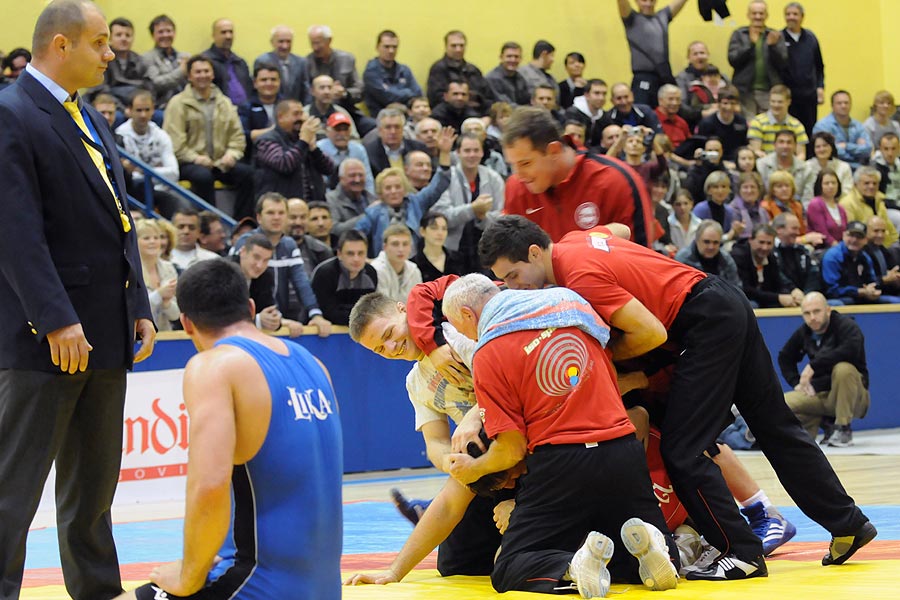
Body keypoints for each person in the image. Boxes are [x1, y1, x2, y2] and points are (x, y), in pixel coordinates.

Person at [478, 215, 877, 579]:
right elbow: (620, 231)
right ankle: (848, 523)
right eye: (504, 281)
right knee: (775, 425)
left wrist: (602, 359)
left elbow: (652, 333)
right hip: (725, 301)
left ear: (535, 252)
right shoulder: (575, 240)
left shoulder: (578, 275)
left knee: (683, 450)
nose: (514, 287)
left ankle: (741, 552)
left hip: (703, 321)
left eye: (514, 275)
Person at [0, 2, 157, 598]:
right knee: (13, 486)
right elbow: (14, 231)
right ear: (60, 45)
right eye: (100, 42)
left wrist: (138, 303)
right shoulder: (11, 113)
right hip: (44, 338)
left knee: (94, 487)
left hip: (106, 330)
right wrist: (55, 318)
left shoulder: (85, 113)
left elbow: (119, 219)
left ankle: (97, 590)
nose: (111, 54)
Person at [438, 276, 680, 595]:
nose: (471, 338)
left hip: (562, 461)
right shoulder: (572, 307)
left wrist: (474, 468)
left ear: (468, 315)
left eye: (464, 330)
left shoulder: (489, 350)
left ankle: (572, 565)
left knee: (509, 568)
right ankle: (656, 554)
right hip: (622, 448)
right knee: (643, 548)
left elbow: (511, 450)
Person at [117, 258, 342, 600]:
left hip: (255, 583)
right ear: (250, 308)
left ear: (186, 323)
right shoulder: (315, 365)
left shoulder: (215, 366)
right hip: (324, 588)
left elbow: (209, 485)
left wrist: (188, 576)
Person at [503, 107, 656, 247]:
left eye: (525, 163)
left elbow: (641, 259)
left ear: (554, 151)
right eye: (512, 165)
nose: (519, 175)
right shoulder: (516, 189)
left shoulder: (617, 182)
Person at [163, 55, 255, 218]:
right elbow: (174, 143)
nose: (203, 75)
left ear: (212, 74)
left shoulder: (225, 102)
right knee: (203, 177)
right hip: (188, 163)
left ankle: (242, 222)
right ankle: (210, 222)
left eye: (206, 71)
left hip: (220, 162)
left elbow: (237, 136)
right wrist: (196, 158)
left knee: (248, 174)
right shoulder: (177, 103)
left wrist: (232, 154)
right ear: (189, 76)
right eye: (198, 72)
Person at [779, 292, 869, 448]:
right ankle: (810, 430)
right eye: (807, 313)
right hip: (820, 394)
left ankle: (843, 428)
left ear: (828, 310)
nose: (812, 317)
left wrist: (813, 366)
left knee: (844, 369)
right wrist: (796, 383)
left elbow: (850, 350)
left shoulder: (846, 326)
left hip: (854, 396)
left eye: (816, 311)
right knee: (782, 403)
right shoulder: (805, 332)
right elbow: (785, 357)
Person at [355, 127, 455, 255]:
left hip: (414, 262)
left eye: (398, 187)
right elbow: (355, 237)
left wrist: (445, 153)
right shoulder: (373, 212)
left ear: (405, 189)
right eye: (388, 188)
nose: (394, 191)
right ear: (380, 194)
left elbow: (439, 184)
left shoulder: (416, 203)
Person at [434, 133, 505, 268]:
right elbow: (443, 217)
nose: (472, 155)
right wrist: (472, 209)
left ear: (482, 152)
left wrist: (483, 218)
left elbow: (502, 217)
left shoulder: (494, 178)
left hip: (488, 251)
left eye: (476, 150)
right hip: (452, 252)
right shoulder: (446, 178)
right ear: (458, 152)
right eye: (467, 150)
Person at [116, 89, 188, 219]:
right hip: (134, 192)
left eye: (147, 110)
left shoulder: (161, 135)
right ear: (129, 111)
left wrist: (141, 171)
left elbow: (173, 173)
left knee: (183, 206)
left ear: (153, 110)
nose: (143, 115)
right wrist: (158, 170)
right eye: (139, 110)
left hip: (162, 189)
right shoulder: (120, 136)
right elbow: (129, 178)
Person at [255, 99, 335, 201]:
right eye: (296, 114)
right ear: (281, 117)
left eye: (302, 114)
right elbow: (284, 164)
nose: (301, 118)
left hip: (313, 203)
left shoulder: (305, 138)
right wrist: (303, 141)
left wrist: (314, 149)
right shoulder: (266, 140)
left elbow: (329, 169)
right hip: (282, 205)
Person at [616, 0, 690, 107]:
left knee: (670, 109)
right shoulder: (631, 18)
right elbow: (622, 3)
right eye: (644, 0)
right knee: (642, 110)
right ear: (636, 1)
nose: (648, 4)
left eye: (652, 0)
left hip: (663, 75)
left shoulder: (662, 16)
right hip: (643, 76)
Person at [728, 1, 789, 116]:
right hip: (745, 92)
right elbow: (733, 60)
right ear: (748, 15)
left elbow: (783, 63)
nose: (758, 16)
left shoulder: (774, 35)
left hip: (769, 92)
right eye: (754, 13)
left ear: (766, 15)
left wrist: (772, 47)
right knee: (747, 125)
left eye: (761, 13)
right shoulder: (739, 34)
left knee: (768, 124)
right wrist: (751, 44)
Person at [821, 221, 900, 305]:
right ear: (844, 235)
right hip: (840, 298)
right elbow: (832, 291)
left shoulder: (865, 257)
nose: (854, 240)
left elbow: (871, 281)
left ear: (865, 240)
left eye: (859, 237)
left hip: (862, 296)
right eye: (851, 235)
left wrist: (872, 289)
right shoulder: (832, 257)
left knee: (896, 301)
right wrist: (860, 292)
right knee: (838, 303)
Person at [311, 229, 378, 325]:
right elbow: (330, 313)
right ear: (339, 254)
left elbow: (370, 311)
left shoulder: (371, 272)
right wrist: (362, 317)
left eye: (361, 253)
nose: (356, 259)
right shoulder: (325, 273)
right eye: (350, 253)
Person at [731, 224, 802, 308]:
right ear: (750, 240)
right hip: (742, 300)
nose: (765, 247)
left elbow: (778, 281)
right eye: (761, 242)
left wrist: (793, 290)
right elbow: (745, 290)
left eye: (769, 243)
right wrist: (778, 298)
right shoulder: (738, 256)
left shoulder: (771, 257)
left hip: (763, 299)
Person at [781, 2, 825, 138]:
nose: (791, 17)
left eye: (795, 14)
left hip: (809, 96)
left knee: (809, 133)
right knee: (789, 134)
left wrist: (820, 87)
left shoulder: (811, 38)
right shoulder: (779, 38)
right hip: (788, 97)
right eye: (788, 14)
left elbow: (819, 66)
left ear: (802, 17)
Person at [426, 30, 494, 115]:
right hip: (449, 116)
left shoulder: (474, 70)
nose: (458, 49)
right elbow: (436, 99)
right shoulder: (438, 69)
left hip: (479, 115)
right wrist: (465, 101)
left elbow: (487, 96)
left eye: (461, 45)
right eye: (454, 46)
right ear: (446, 47)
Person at [90, 17, 151, 107]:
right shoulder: (102, 59)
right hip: (109, 106)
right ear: (110, 39)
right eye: (118, 35)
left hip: (136, 107)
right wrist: (123, 109)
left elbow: (148, 88)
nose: (124, 39)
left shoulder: (140, 61)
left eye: (128, 35)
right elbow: (101, 89)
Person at [363, 29, 423, 115]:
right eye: (386, 47)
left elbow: (418, 94)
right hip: (382, 117)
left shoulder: (404, 70)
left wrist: (400, 96)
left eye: (394, 47)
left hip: (409, 115)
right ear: (377, 47)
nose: (391, 51)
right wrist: (407, 92)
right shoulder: (371, 72)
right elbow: (388, 98)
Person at [135, 219, 179, 331]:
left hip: (165, 333)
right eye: (146, 238)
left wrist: (166, 303)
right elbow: (135, 310)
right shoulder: (131, 270)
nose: (153, 242)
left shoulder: (168, 268)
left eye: (156, 237)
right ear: (135, 242)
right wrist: (159, 294)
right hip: (139, 333)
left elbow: (175, 315)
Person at [840, 166, 899, 247]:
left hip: (884, 246)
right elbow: (851, 234)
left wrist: (895, 245)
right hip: (862, 247)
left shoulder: (879, 200)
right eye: (866, 183)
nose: (871, 186)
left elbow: (891, 230)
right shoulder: (847, 203)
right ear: (856, 184)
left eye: (875, 183)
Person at [813, 91, 872, 169]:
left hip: (859, 168)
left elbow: (867, 149)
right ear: (832, 105)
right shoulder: (822, 126)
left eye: (846, 103)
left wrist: (846, 146)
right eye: (839, 103)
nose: (843, 106)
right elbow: (829, 152)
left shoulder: (858, 126)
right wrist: (856, 151)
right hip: (833, 168)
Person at [141, 15, 189, 110]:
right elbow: (156, 83)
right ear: (153, 35)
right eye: (160, 32)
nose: (165, 35)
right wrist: (181, 71)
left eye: (168, 31)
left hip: (186, 105)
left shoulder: (184, 56)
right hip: (161, 107)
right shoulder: (147, 58)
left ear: (174, 33)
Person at [674, 220, 740, 287]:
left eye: (715, 242)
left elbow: (736, 288)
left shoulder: (726, 260)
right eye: (706, 242)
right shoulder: (682, 260)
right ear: (697, 240)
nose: (711, 247)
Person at [747, 85, 808, 159]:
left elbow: (801, 154)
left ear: (788, 102)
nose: (776, 105)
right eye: (773, 101)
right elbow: (756, 151)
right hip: (764, 163)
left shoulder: (797, 125)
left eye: (780, 102)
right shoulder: (757, 122)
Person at [364, 106, 428, 176]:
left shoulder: (418, 148)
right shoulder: (369, 153)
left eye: (397, 127)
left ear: (403, 129)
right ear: (379, 130)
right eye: (388, 127)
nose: (393, 131)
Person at [254, 25, 309, 104]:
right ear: (272, 42)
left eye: (288, 41)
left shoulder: (301, 62)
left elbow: (306, 90)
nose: (285, 46)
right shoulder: (262, 61)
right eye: (281, 41)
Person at [202, 18, 252, 106]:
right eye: (223, 32)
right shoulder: (205, 62)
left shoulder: (240, 62)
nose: (228, 36)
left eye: (230, 32)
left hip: (245, 110)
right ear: (214, 35)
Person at [773, 212, 823, 296]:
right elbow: (776, 276)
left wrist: (806, 295)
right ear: (779, 229)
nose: (798, 233)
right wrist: (792, 291)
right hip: (779, 297)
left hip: (804, 297)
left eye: (798, 229)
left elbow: (813, 274)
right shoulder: (769, 251)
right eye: (794, 228)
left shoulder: (802, 250)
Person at [696, 85, 748, 163]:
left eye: (732, 103)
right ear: (718, 103)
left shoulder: (741, 122)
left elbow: (743, 146)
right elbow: (701, 148)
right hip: (713, 162)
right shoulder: (707, 123)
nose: (729, 107)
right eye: (725, 103)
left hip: (736, 162)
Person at [802, 132, 854, 205]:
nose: (822, 149)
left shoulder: (844, 167)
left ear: (832, 147)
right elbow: (806, 195)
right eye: (818, 147)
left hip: (839, 205)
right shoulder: (806, 167)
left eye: (825, 145)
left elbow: (847, 192)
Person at [286, 197, 334, 277]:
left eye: (303, 217)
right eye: (293, 217)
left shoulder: (323, 251)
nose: (298, 222)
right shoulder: (269, 249)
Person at [413, 211, 466, 282]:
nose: (440, 233)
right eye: (434, 228)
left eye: (444, 229)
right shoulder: (414, 265)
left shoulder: (458, 258)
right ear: (422, 231)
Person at [170, 207, 222, 273]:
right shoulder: (160, 258)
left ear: (199, 231)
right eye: (181, 227)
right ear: (171, 229)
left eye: (192, 228)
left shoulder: (213, 261)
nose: (186, 231)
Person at [806, 168, 847, 247]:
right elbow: (822, 233)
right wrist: (839, 249)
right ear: (820, 186)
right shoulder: (815, 204)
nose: (831, 186)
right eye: (826, 183)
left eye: (833, 183)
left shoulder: (841, 208)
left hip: (839, 248)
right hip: (822, 248)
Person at [865, 215, 900, 294]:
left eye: (883, 231)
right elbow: (865, 281)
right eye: (876, 231)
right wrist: (885, 279)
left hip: (888, 290)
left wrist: (896, 276)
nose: (880, 235)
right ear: (866, 232)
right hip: (873, 293)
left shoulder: (883, 250)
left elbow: (893, 270)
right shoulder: (861, 252)